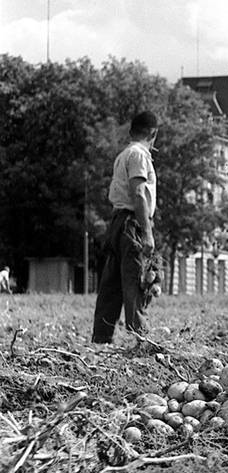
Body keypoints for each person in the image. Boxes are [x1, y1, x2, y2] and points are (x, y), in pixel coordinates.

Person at [92, 111, 159, 344]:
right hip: (132, 223)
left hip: (118, 222)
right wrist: (147, 232)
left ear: (131, 132)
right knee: (136, 280)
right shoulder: (140, 155)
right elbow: (139, 193)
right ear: (154, 134)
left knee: (111, 283)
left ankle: (101, 339)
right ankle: (140, 340)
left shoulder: (123, 155)